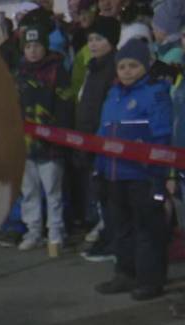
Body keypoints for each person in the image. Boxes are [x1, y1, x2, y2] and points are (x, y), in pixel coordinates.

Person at [94, 38, 174, 301]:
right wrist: (99, 168)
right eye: (122, 66)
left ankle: (150, 280)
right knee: (121, 227)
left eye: (133, 66)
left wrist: (157, 172)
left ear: (146, 66)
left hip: (143, 176)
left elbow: (162, 136)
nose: (126, 71)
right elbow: (102, 133)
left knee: (147, 229)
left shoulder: (155, 93)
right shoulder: (113, 93)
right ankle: (125, 273)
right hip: (114, 175)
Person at [15, 24, 74, 256]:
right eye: (28, 46)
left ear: (45, 47)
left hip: (50, 145)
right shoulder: (18, 73)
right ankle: (33, 230)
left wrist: (58, 134)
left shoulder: (57, 71)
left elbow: (65, 105)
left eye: (37, 45)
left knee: (52, 191)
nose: (32, 51)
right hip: (25, 145)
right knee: (28, 191)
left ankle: (56, 233)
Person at [77, 16, 121, 263]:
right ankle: (108, 234)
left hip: (104, 141)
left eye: (99, 39)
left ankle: (115, 240)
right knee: (101, 194)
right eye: (90, 39)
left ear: (111, 41)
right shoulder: (93, 67)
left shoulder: (113, 67)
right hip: (89, 140)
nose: (93, 44)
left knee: (111, 196)